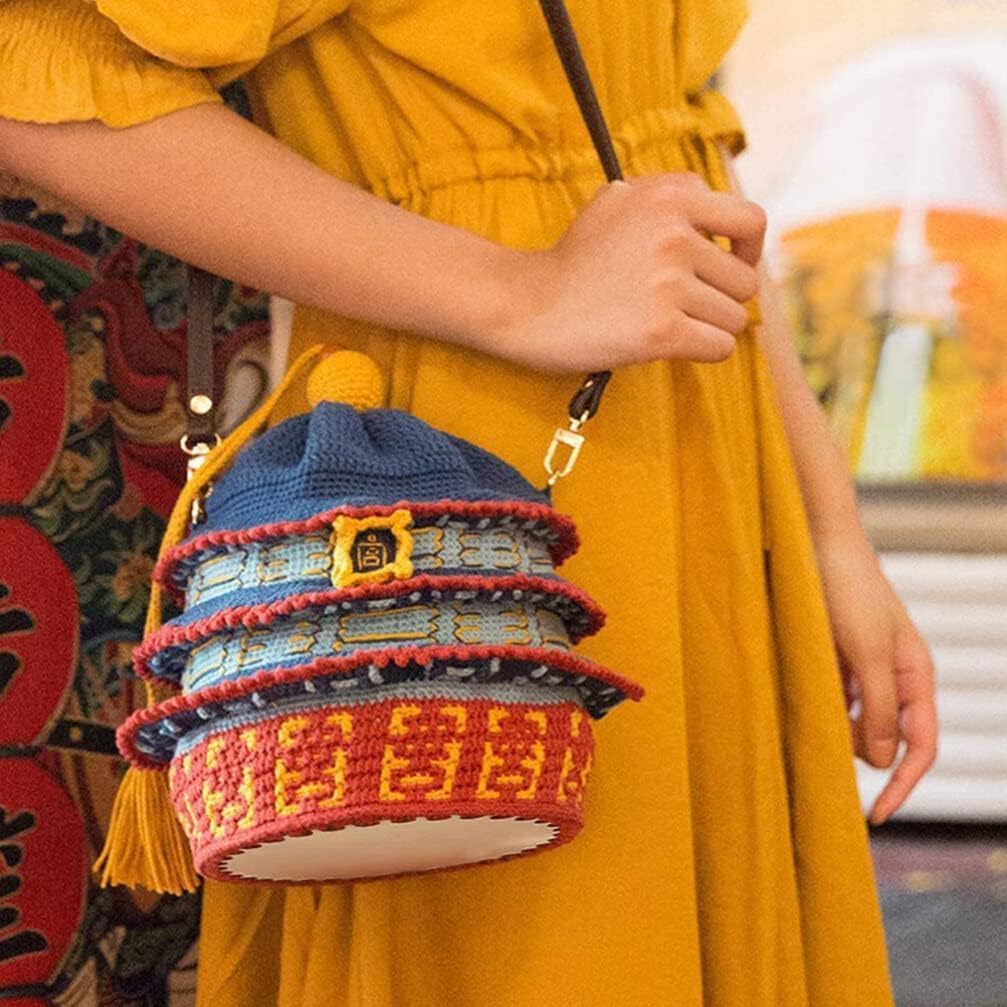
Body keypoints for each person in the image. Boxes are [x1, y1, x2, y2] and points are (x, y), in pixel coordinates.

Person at [0, 1, 938, 1003]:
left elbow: (683, 156)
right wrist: (517, 290)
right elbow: (35, 74)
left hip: (697, 430)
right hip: (466, 458)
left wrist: (830, 531)